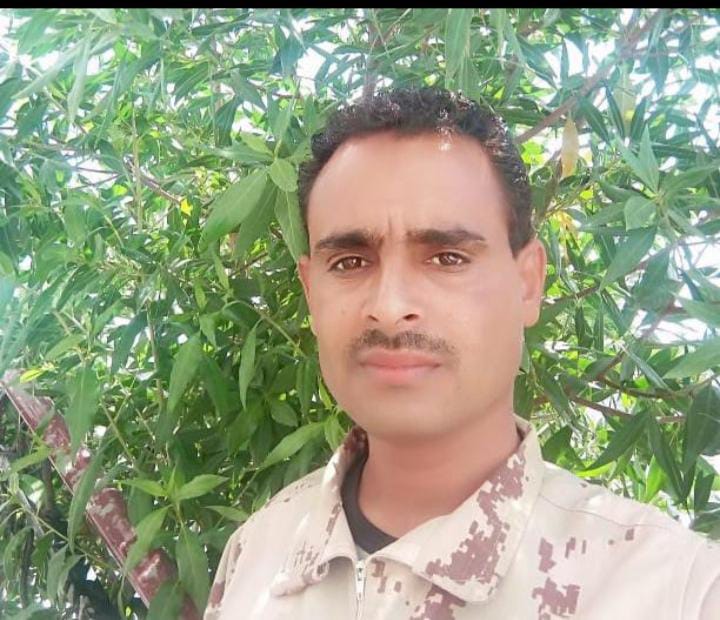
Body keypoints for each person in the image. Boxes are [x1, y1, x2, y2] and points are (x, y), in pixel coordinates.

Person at [204, 88, 720, 619]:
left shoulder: (673, 589)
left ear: (528, 283)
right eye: (350, 263)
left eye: (447, 258)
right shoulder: (256, 558)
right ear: (312, 293)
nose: (389, 308)